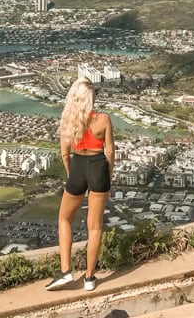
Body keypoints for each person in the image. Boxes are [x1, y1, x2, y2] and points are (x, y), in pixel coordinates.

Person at [48, 75, 114, 292]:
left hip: (77, 166)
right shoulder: (103, 119)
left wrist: (73, 176)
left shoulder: (68, 120)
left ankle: (66, 271)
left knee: (64, 218)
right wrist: (108, 174)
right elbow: (110, 151)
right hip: (98, 167)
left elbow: (64, 154)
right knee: (94, 227)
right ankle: (89, 278)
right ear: (91, 99)